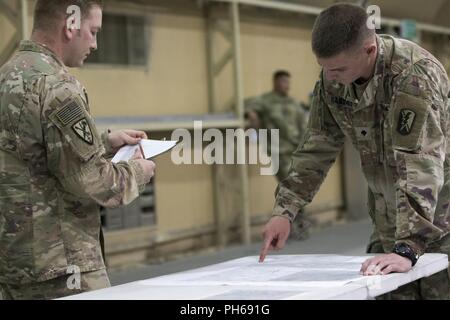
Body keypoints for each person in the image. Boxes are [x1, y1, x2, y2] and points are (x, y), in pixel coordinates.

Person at [260, 3, 450, 300]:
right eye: (324, 68)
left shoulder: (413, 76)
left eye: (338, 69)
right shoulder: (334, 79)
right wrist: (285, 210)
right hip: (388, 221)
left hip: (438, 226)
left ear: (369, 50)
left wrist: (409, 245)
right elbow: (317, 146)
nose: (331, 77)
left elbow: (419, 164)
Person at [0, 0, 155, 299]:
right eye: (93, 31)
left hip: (12, 264)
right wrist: (139, 169)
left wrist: (104, 141)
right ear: (70, 25)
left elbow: (28, 150)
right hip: (62, 266)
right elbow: (95, 182)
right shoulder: (58, 87)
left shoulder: (8, 75)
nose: (95, 44)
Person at [245, 71, 311, 239]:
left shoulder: (292, 102)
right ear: (275, 82)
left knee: (295, 187)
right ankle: (290, 225)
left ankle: (298, 222)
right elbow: (246, 106)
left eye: (288, 82)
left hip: (295, 150)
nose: (286, 85)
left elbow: (302, 124)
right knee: (287, 188)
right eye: (283, 82)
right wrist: (251, 114)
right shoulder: (266, 101)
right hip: (278, 151)